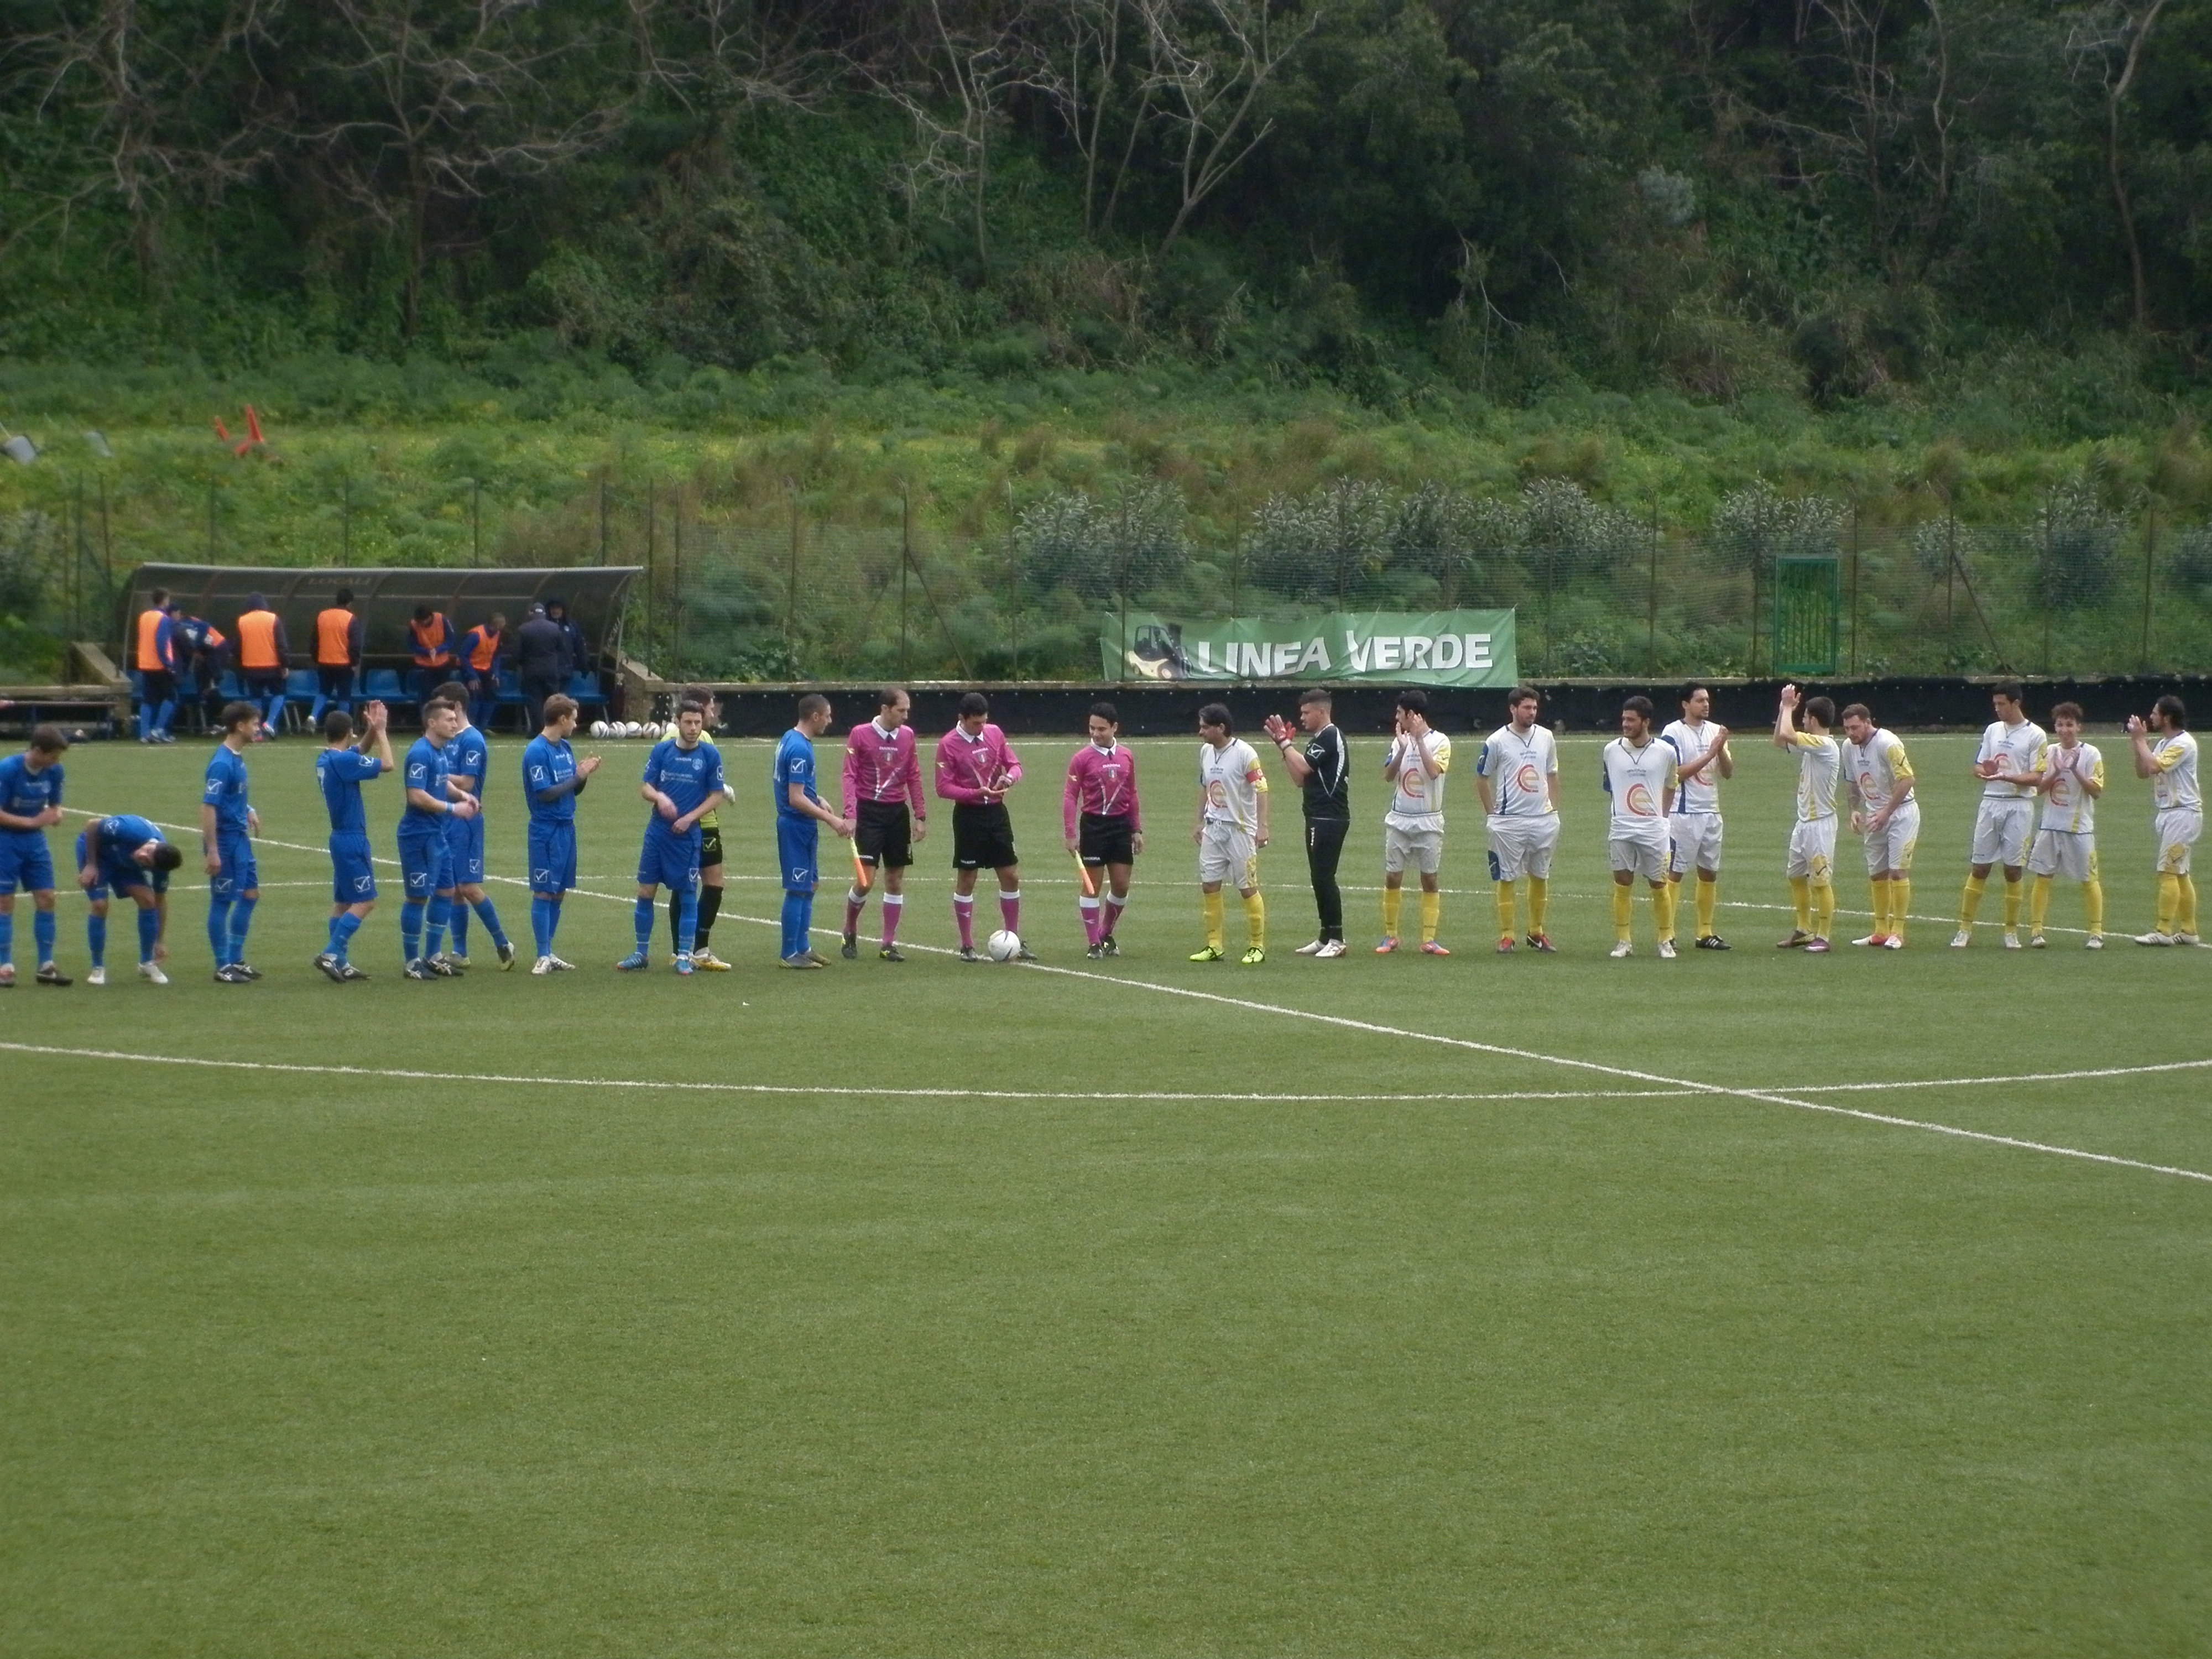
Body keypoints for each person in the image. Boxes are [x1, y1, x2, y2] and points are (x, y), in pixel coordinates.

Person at [620, 698, 725, 974]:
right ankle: (641, 953)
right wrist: (660, 797)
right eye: (688, 722)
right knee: (646, 891)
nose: (693, 728)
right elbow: (646, 787)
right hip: (658, 832)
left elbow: (717, 795)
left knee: (687, 893)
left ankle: (684, 956)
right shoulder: (662, 751)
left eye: (698, 723)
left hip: (688, 835)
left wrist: (691, 817)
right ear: (677, 722)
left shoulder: (710, 755)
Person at [429, 677, 514, 972]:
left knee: (467, 885)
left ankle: (503, 942)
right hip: (446, 816)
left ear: (456, 706)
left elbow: (467, 782)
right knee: (452, 887)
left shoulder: (472, 740)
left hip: (465, 822)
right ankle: (460, 951)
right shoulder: (447, 738)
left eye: (443, 706)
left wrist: (435, 772)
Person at [1953, 681, 2046, 950]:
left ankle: (2011, 931)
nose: (1997, 709)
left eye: (2001, 704)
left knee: (2013, 869)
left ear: (2016, 703)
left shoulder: (2036, 735)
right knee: (1980, 867)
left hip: (2019, 805)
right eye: (1995, 704)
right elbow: (1978, 767)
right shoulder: (1992, 730)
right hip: (1991, 803)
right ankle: (1964, 929)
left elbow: (2037, 777)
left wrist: (2007, 776)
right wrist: (1987, 771)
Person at [936, 691, 1029, 961]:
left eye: (984, 721)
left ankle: (1013, 938)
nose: (981, 727)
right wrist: (976, 793)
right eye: (976, 723)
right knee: (967, 878)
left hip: (997, 813)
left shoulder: (995, 733)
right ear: (962, 719)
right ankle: (967, 944)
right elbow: (943, 787)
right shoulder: (948, 744)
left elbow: (1015, 765)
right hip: (968, 816)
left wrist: (1009, 779)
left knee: (1011, 875)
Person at [843, 687, 928, 962]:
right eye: (901, 710)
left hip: (896, 814)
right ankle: (850, 929)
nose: (906, 716)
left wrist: (920, 815)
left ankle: (888, 943)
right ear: (885, 709)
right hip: (869, 813)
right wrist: (851, 813)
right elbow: (849, 775)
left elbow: (914, 774)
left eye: (907, 711)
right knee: (865, 881)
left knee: (894, 880)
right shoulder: (860, 734)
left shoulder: (908, 736)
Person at [1262, 688, 1349, 957]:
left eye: (1306, 712)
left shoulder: (1330, 735)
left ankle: (1337, 939)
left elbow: (1304, 767)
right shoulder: (1316, 740)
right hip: (1314, 815)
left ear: (1321, 712)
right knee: (1318, 878)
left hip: (1329, 817)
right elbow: (1299, 779)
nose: (1302, 717)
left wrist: (1286, 745)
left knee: (1325, 877)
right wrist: (1284, 749)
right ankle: (1325, 936)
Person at [398, 697, 479, 980]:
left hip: (436, 834)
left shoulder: (440, 752)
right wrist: (453, 809)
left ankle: (433, 956)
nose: (455, 724)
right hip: (417, 836)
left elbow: (442, 782)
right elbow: (416, 795)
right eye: (449, 720)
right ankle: (412, 962)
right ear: (432, 723)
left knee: (446, 890)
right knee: (418, 897)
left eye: (455, 719)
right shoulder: (420, 753)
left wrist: (463, 795)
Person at [1476, 686, 1562, 953]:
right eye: (1526, 708)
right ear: (1513, 709)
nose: (1532, 712)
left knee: (1540, 875)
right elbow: (1482, 778)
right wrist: (1492, 813)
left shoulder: (1546, 737)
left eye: (1535, 708)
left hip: (1542, 819)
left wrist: (1554, 808)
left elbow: (1552, 772)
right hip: (1508, 821)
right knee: (1507, 876)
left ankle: (1536, 932)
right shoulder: (1497, 741)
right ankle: (1507, 936)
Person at [2014, 702, 2105, 949]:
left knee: (2089, 879)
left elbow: (2096, 792)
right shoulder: (2049, 752)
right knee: (2043, 877)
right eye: (2060, 725)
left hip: (2079, 828)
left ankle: (2096, 932)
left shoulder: (2091, 754)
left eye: (2070, 725)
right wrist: (2056, 772)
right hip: (2050, 826)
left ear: (2079, 727)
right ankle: (2036, 931)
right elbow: (2038, 789)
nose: (2065, 730)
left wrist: (2075, 771)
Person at [314, 703, 393, 982]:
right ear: (349, 732)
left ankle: (342, 963)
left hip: (339, 837)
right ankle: (331, 953)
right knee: (365, 901)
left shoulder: (326, 759)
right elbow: (388, 764)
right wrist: (382, 731)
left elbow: (360, 750)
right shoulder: (343, 762)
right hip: (352, 839)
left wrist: (372, 729)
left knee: (343, 902)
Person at [523, 693, 600, 973]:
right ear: (562, 719)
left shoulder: (565, 747)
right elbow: (545, 793)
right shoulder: (536, 751)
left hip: (567, 827)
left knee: (559, 891)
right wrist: (577, 776)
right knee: (544, 891)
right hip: (545, 830)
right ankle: (542, 954)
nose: (576, 725)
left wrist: (583, 776)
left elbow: (572, 790)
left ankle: (549, 951)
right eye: (574, 719)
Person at [773, 694, 849, 968]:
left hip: (803, 824)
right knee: (798, 888)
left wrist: (817, 798)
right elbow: (795, 798)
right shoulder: (799, 749)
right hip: (795, 825)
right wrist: (832, 820)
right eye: (827, 716)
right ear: (815, 716)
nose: (830, 721)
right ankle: (789, 953)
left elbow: (798, 787)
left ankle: (803, 947)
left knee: (810, 884)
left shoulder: (793, 739)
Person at [1602, 695, 1679, 959]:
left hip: (1654, 830)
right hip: (1621, 827)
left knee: (1659, 884)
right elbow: (1609, 786)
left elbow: (1672, 784)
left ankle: (1665, 940)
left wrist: (1662, 817)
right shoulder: (1611, 750)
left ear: (1646, 722)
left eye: (1631, 720)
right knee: (1622, 882)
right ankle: (1624, 941)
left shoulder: (1666, 752)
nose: (1625, 724)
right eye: (1624, 719)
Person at [1190, 703, 1269, 964]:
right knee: (1209, 886)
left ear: (1220, 728)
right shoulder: (1206, 752)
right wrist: (1199, 821)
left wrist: (1262, 826)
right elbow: (1205, 785)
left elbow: (1261, 789)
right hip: (1214, 829)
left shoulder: (1245, 753)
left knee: (1247, 888)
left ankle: (1257, 946)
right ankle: (1214, 945)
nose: (1200, 732)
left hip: (1240, 831)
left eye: (1205, 727)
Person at [1063, 701, 1141, 958]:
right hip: (1094, 826)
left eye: (1101, 729)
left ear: (1114, 727)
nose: (1096, 734)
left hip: (1121, 826)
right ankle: (1093, 942)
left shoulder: (1126, 756)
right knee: (1091, 886)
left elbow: (1132, 793)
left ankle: (1105, 932)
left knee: (1121, 885)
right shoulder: (1081, 758)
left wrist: (1137, 829)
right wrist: (1070, 833)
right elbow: (1070, 796)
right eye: (1092, 728)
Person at [1377, 688, 1451, 954]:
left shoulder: (1441, 741)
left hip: (1428, 821)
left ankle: (1429, 939)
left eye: (1400, 713)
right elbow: (1388, 776)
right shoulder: (1398, 741)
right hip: (1399, 820)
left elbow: (1433, 772)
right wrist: (1402, 749)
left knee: (1429, 878)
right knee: (1392, 876)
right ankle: (1391, 936)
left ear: (1411, 714)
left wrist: (1419, 741)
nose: (1397, 718)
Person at [1661, 684, 1734, 949]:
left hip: (1711, 812)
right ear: (1685, 704)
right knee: (1675, 873)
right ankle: (1667, 933)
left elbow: (1727, 773)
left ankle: (1705, 933)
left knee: (1709, 873)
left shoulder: (1716, 731)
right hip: (1683, 813)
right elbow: (1675, 774)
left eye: (1707, 700)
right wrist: (1710, 753)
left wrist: (1721, 749)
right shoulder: (1673, 732)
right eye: (1700, 700)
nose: (1706, 704)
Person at [667, 688, 736, 970]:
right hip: (700, 821)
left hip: (683, 821)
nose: (712, 712)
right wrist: (724, 791)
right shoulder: (700, 739)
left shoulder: (670, 739)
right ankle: (696, 949)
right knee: (710, 883)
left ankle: (683, 951)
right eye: (711, 707)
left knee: (688, 884)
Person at [1840, 703, 1919, 948]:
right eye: (1847, 728)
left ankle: (1898, 932)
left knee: (1898, 871)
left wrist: (1887, 812)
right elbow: (1852, 781)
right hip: (1874, 814)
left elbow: (1907, 779)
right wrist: (1854, 810)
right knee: (1877, 873)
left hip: (1901, 813)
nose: (1851, 733)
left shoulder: (1888, 743)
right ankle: (1881, 931)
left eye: (1855, 727)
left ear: (1868, 722)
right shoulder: (1848, 747)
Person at [2127, 693, 2200, 946]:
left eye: (2156, 713)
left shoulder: (2184, 744)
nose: (2151, 717)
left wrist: (2141, 741)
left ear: (2167, 718)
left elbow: (2156, 767)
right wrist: (2138, 745)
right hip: (2170, 813)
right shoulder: (2162, 744)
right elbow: (2142, 773)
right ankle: (2189, 931)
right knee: (2180, 873)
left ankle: (2163, 930)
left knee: (2167, 871)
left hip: (2182, 813)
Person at [0, 726, 71, 987]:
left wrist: (56, 814)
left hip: (35, 842)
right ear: (38, 751)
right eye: (53, 756)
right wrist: (31, 822)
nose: (56, 761)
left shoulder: (55, 771)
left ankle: (46, 965)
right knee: (4, 901)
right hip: (5, 840)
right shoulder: (7, 769)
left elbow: (55, 804)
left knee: (47, 897)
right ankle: (5, 966)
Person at [1773, 686, 1841, 953]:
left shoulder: (1825, 745)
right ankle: (1804, 929)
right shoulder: (1812, 746)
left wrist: (1789, 707)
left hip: (1820, 823)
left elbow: (1787, 734)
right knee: (1795, 876)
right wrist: (1784, 709)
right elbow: (1780, 740)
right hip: (1804, 823)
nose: (1802, 720)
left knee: (1821, 880)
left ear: (1813, 719)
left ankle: (1824, 935)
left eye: (1804, 717)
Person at [74, 812, 179, 985]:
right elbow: (93, 825)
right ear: (154, 845)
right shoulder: (131, 830)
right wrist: (91, 865)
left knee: (148, 901)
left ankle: (147, 963)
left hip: (124, 862)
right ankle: (97, 967)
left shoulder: (161, 868)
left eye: (147, 862)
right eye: (147, 851)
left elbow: (160, 900)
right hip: (98, 852)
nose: (142, 856)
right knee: (100, 905)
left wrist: (159, 940)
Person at [201, 701, 264, 982]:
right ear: (240, 726)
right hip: (225, 841)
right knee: (222, 901)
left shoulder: (236, 757)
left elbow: (231, 795)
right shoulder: (222, 764)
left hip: (239, 838)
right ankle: (222, 965)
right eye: (254, 723)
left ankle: (236, 959)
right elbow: (208, 807)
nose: (258, 728)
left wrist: (248, 809)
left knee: (251, 894)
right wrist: (213, 850)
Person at [235, 593, 291, 737]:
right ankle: (270, 723)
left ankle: (257, 731)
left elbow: (237, 647)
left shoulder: (242, 621)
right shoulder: (273, 619)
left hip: (250, 666)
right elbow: (281, 645)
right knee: (279, 694)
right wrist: (285, 664)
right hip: (272, 666)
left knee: (256, 698)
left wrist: (240, 667)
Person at [309, 589, 364, 727]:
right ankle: (343, 726)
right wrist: (354, 662)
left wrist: (316, 658)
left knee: (323, 692)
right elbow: (355, 645)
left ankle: (313, 715)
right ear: (349, 603)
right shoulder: (351, 618)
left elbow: (314, 641)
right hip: (344, 663)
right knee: (344, 696)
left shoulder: (322, 616)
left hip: (324, 662)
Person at [514, 602, 571, 733]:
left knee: (535, 702)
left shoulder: (523, 629)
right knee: (555, 701)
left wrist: (523, 663)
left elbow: (517, 654)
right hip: (551, 671)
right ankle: (557, 728)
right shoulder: (555, 628)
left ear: (531, 613)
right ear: (545, 613)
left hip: (531, 671)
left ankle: (539, 730)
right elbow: (562, 649)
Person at [133, 589, 178, 744]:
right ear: (164, 600)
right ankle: (158, 730)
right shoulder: (163, 618)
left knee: (148, 699)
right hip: (159, 665)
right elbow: (161, 643)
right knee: (171, 697)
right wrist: (168, 664)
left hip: (145, 664)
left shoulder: (144, 616)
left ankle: (144, 733)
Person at [173, 611, 228, 731]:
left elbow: (204, 626)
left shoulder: (185, 623)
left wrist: (196, 648)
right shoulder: (181, 625)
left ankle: (222, 722)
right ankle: (214, 722)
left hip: (217, 649)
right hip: (209, 652)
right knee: (206, 688)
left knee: (210, 687)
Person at [460, 614, 508, 733]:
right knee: (475, 697)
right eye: (498, 628)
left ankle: (483, 727)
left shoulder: (497, 634)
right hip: (472, 669)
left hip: (486, 669)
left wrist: (496, 672)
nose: (499, 631)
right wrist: (471, 676)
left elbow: (496, 655)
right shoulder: (476, 635)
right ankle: (471, 727)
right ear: (492, 625)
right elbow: (463, 656)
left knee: (491, 697)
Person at [408, 604, 459, 708]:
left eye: (423, 621)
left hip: (442, 663)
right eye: (419, 622)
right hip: (423, 664)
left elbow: (451, 639)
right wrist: (426, 652)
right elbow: (412, 644)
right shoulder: (414, 624)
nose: (421, 624)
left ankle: (443, 715)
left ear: (429, 617)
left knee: (443, 693)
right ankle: (426, 716)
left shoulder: (441, 619)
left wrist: (438, 650)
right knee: (426, 694)